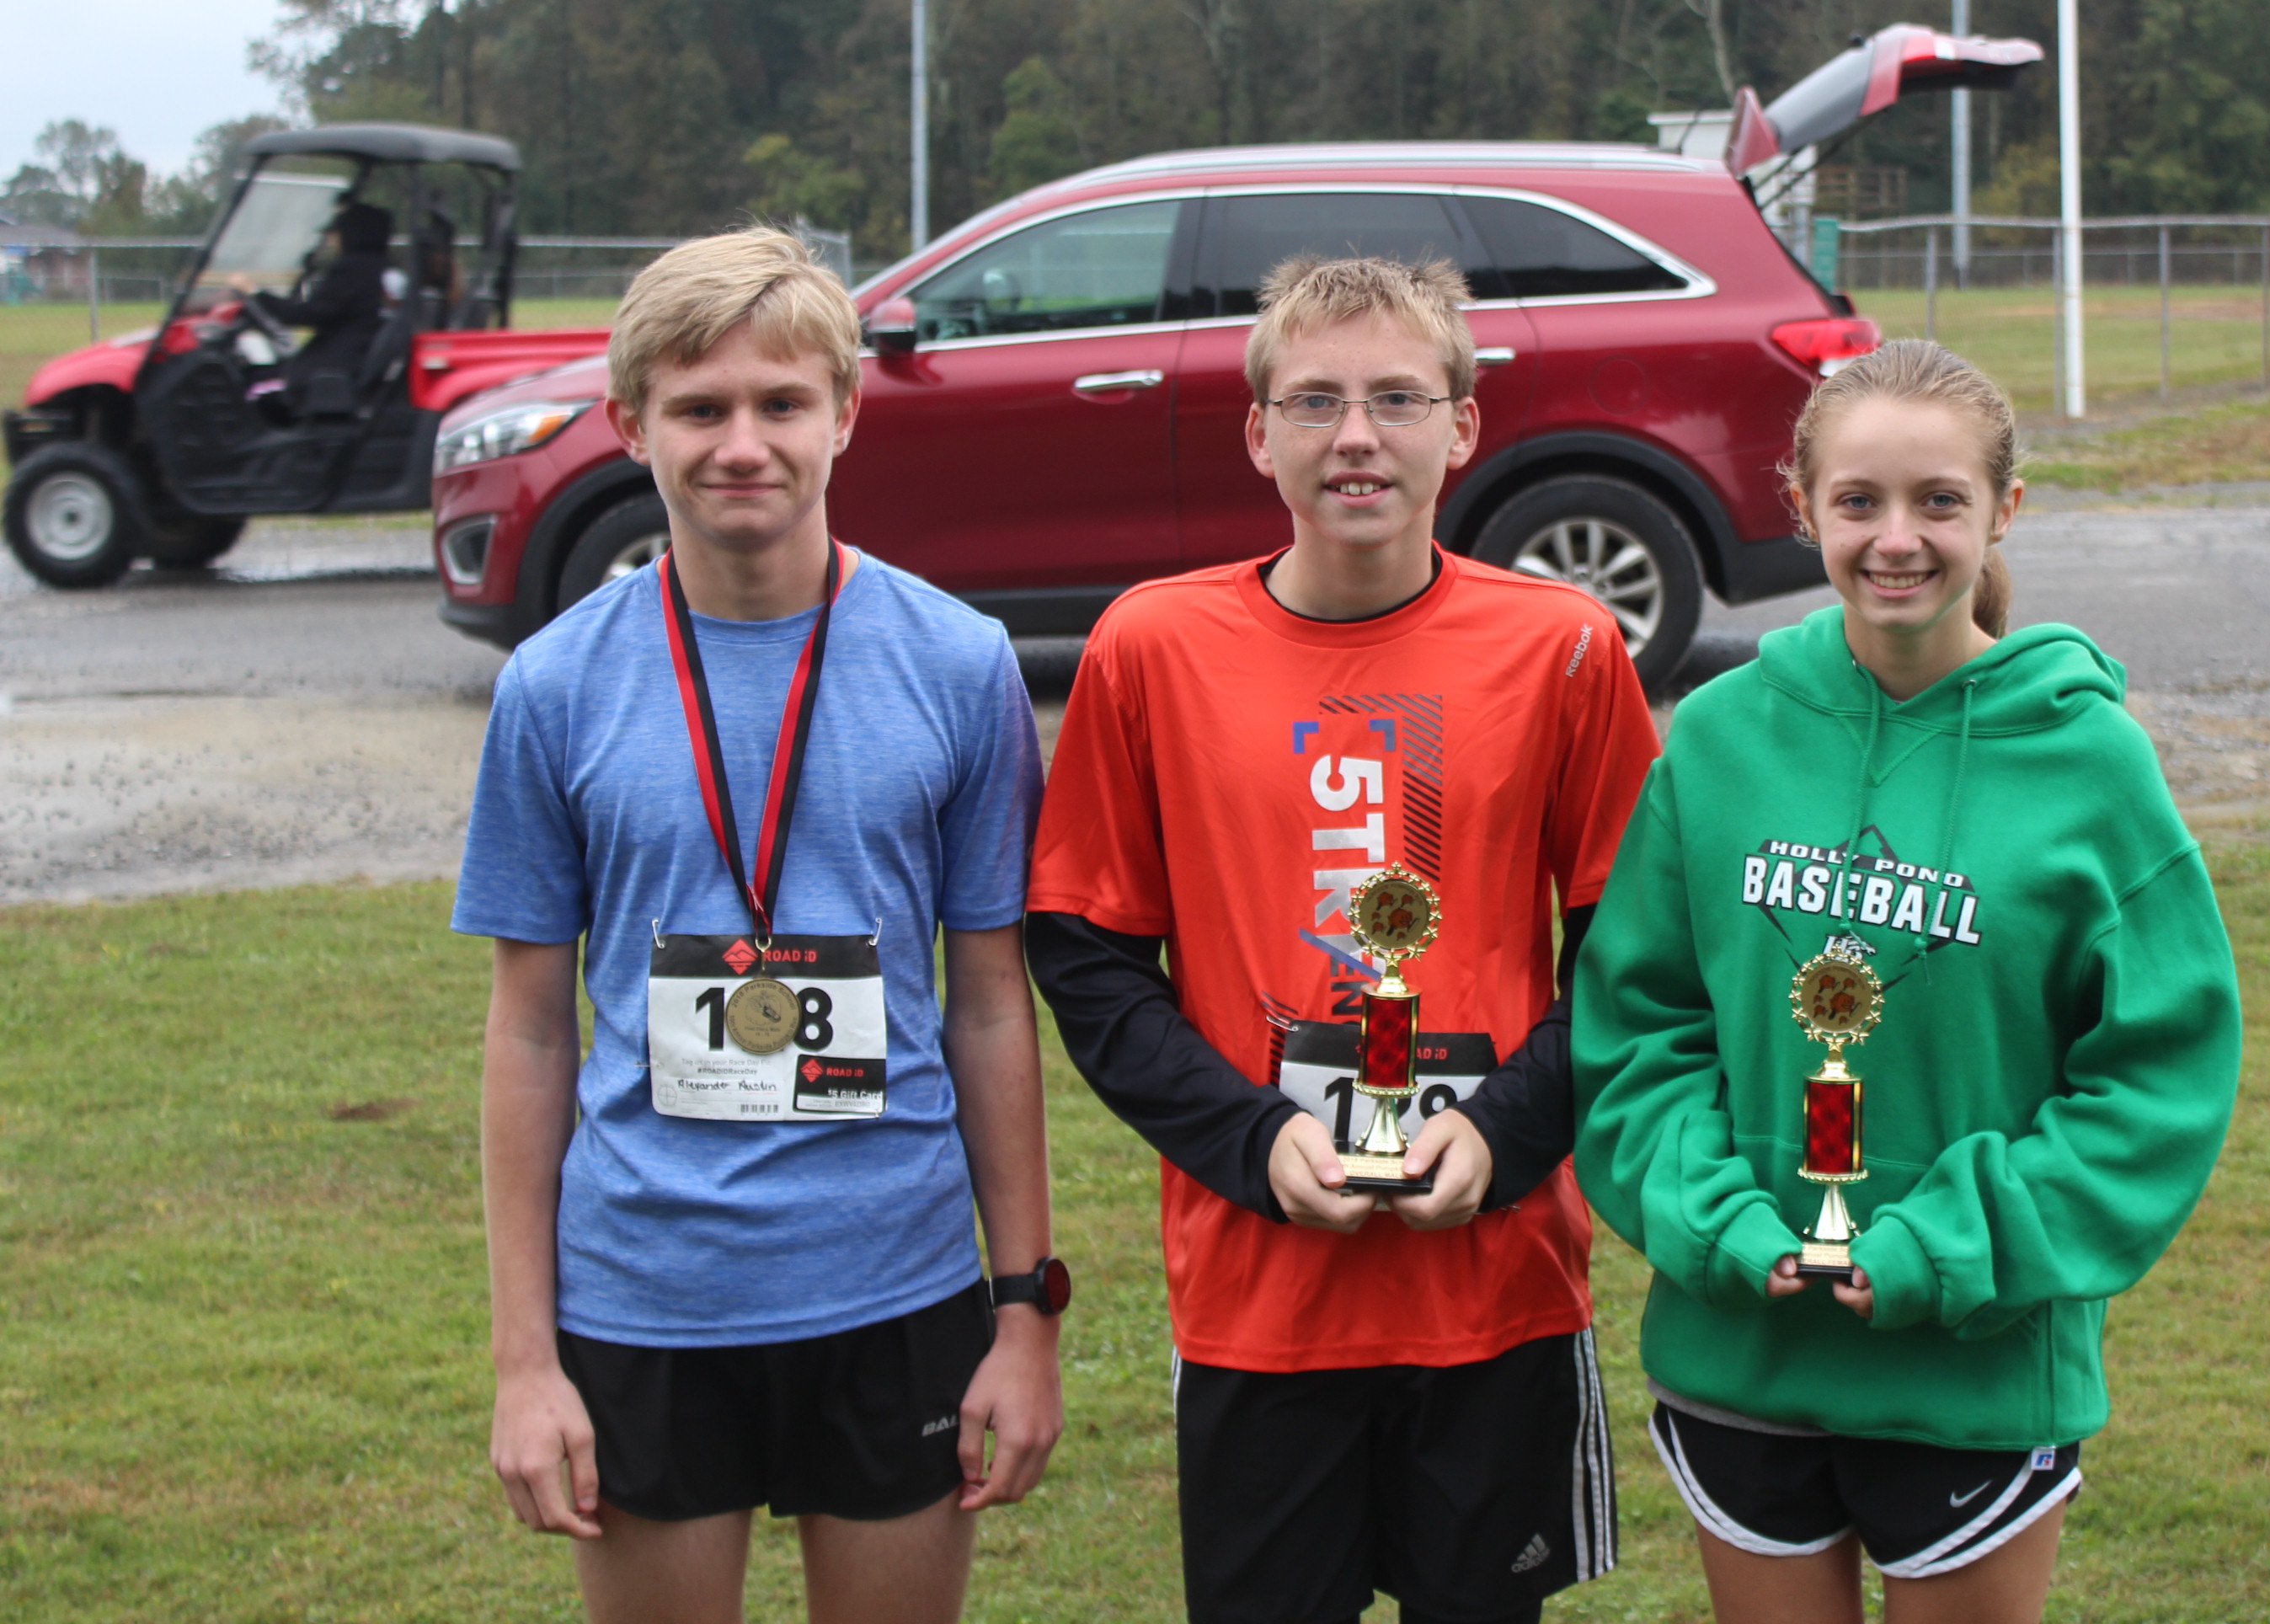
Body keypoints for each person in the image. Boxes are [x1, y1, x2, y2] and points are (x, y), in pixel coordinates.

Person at [1026, 255, 1661, 1624]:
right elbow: (1083, 951)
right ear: (1257, 432)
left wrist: (1504, 1127)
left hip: (1493, 1286)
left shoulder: (1562, 644)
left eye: (1394, 397)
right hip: (1263, 1296)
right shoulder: (1153, 645)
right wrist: (1249, 1138)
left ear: (1464, 423)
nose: (1356, 435)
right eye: (1313, 400)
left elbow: (1631, 953)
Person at [1572, 339, 2242, 1624]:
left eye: (1939, 501)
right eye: (1860, 501)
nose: (1898, 539)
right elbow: (1638, 1030)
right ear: (1801, 505)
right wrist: (1717, 1222)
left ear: (2003, 510)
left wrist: (1948, 1245)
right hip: (1742, 1350)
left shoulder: (2090, 761)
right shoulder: (1716, 738)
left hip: (1974, 1366)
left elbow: (2158, 1076)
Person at [458, 227, 1063, 1624]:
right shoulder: (553, 688)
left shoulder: (959, 665)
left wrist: (1022, 1310)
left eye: (781, 403)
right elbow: (532, 1025)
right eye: (699, 407)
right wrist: (524, 1358)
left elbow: (986, 1003)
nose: (744, 442)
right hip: (644, 1295)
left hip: (895, 1284)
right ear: (630, 426)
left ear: (845, 413)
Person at [254, 201, 394, 409]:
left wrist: (255, 293)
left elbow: (310, 314)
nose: (332, 240)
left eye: (337, 232)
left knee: (254, 388)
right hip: (351, 360)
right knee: (265, 373)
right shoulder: (384, 269)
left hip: (333, 370)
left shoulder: (353, 270)